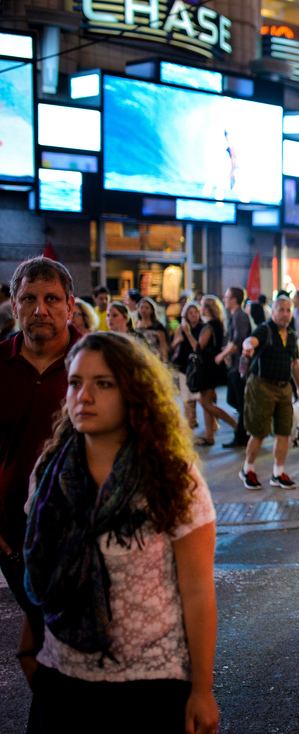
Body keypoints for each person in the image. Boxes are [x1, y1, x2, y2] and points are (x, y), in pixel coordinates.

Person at [23, 332, 219, 734]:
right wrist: (29, 652)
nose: (84, 396)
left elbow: (198, 590)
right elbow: (42, 570)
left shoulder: (172, 479)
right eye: (76, 383)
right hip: (63, 681)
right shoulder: (49, 474)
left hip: (150, 687)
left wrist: (202, 690)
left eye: (104, 384)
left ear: (134, 393)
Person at [0, 257, 79, 689]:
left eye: (51, 299)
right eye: (29, 299)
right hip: (13, 538)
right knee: (49, 649)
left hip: (82, 538)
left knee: (59, 648)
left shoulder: (98, 362)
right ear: (15, 305)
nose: (40, 309)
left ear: (71, 305)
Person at [240, 296, 299, 490]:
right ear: (273, 311)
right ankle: (247, 469)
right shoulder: (265, 329)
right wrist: (248, 347)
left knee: (284, 432)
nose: (285, 313)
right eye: (281, 309)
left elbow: (295, 364)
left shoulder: (292, 335)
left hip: (284, 388)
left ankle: (278, 473)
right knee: (259, 432)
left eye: (288, 310)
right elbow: (250, 340)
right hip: (262, 386)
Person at [181, 296, 235, 446]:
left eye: (203, 306)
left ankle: (236, 426)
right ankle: (209, 436)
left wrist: (187, 333)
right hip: (213, 367)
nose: (200, 308)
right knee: (206, 401)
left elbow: (198, 347)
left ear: (208, 309)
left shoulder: (209, 326)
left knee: (206, 403)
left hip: (207, 368)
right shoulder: (218, 324)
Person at [217, 287, 253, 448]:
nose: (224, 299)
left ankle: (242, 435)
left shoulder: (240, 316)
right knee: (234, 400)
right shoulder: (234, 316)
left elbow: (238, 340)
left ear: (234, 299)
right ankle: (243, 432)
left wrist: (222, 355)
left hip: (241, 367)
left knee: (239, 400)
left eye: (227, 296)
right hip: (235, 366)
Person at [170, 301, 202, 430]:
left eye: (195, 312)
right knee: (186, 396)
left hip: (197, 365)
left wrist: (188, 333)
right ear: (186, 315)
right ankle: (190, 421)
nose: (193, 315)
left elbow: (197, 347)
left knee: (197, 396)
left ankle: (197, 420)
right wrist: (178, 337)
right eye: (190, 313)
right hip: (184, 365)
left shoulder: (202, 327)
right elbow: (173, 345)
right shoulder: (179, 326)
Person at [135, 297, 169, 362]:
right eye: (141, 307)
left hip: (154, 357)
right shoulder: (135, 324)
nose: (143, 310)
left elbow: (163, 344)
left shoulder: (158, 326)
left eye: (147, 308)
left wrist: (165, 359)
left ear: (152, 310)